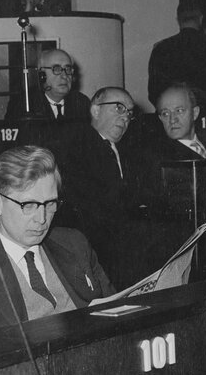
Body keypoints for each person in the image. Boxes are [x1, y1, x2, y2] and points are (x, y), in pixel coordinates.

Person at [0, 145, 114, 337]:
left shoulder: (74, 243)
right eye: (28, 205)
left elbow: (117, 306)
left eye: (50, 204)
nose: (42, 218)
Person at [57, 87, 142, 288]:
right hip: (97, 251)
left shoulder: (132, 152)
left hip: (127, 250)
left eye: (129, 113)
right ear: (95, 110)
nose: (126, 117)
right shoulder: (76, 149)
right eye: (119, 108)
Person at [147, 1, 206, 114]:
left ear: (178, 20)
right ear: (201, 19)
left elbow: (154, 93)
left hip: (172, 118)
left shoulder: (161, 48)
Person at [5, 49, 90, 121]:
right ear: (42, 75)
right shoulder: (23, 104)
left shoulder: (82, 102)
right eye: (56, 69)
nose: (64, 76)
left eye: (68, 69)